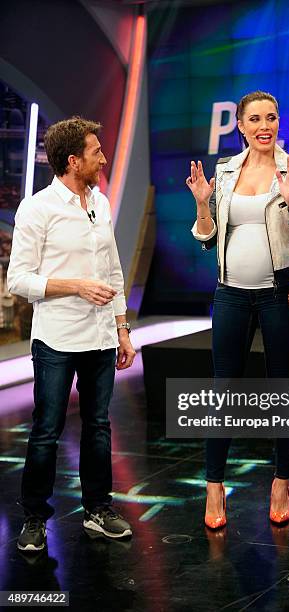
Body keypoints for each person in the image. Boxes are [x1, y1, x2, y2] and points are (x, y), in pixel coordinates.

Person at [187, 91, 289, 529]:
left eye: (272, 118)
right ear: (240, 125)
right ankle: (214, 487)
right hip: (230, 294)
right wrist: (203, 203)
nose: (265, 126)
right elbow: (207, 238)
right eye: (255, 119)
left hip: (279, 294)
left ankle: (281, 481)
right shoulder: (224, 171)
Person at [7, 117, 136, 552]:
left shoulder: (100, 201)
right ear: (72, 160)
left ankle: (98, 509)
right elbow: (19, 280)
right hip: (57, 340)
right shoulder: (38, 208)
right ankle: (34, 518)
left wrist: (122, 329)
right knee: (47, 429)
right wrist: (75, 285)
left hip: (101, 338)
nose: (103, 158)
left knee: (98, 427)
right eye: (96, 152)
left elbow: (114, 270)